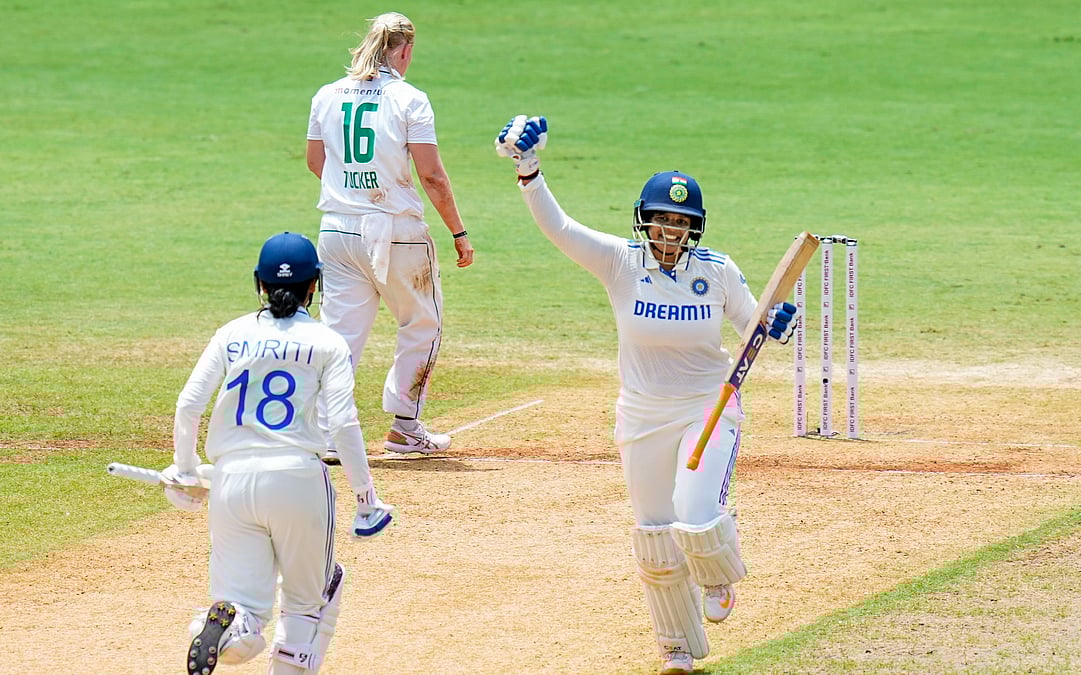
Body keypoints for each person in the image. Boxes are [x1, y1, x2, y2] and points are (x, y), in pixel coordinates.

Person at [494, 117, 798, 674]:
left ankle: (718, 575)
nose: (669, 231)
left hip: (709, 407)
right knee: (656, 536)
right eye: (661, 220)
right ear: (644, 221)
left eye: (681, 222)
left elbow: (752, 322)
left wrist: (778, 324)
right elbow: (559, 228)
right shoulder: (620, 264)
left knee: (695, 511)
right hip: (641, 415)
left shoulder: (717, 270)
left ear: (695, 228)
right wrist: (528, 170)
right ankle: (676, 647)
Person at [168, 232, 394, 674]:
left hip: (231, 482)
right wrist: (366, 499)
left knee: (246, 607)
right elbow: (343, 422)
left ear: (259, 283)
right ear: (317, 285)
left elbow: (189, 405)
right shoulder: (328, 343)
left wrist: (186, 470)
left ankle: (232, 625)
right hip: (297, 480)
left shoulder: (232, 334)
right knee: (313, 600)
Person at [306, 12, 474, 460]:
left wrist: (350, 192)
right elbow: (432, 176)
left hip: (337, 229)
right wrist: (458, 232)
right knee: (422, 323)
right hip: (395, 229)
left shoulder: (327, 95)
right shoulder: (409, 99)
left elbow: (315, 161)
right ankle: (404, 427)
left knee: (339, 335)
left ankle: (325, 436)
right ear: (405, 50)